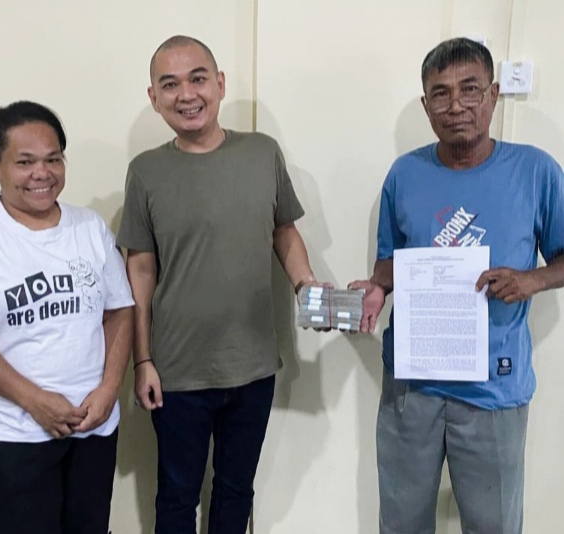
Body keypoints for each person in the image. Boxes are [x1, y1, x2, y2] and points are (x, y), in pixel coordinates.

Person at [350, 37, 564, 533]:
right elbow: (391, 263)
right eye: (440, 93)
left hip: (493, 389)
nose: (456, 106)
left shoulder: (534, 171)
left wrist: (532, 279)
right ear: (426, 105)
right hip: (412, 387)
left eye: (470, 89)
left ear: (493, 95)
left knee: (494, 525)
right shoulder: (405, 174)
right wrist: (377, 289)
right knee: (401, 523)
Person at [117, 35, 320, 533]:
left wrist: (308, 288)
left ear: (220, 84)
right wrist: (142, 360)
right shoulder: (145, 172)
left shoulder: (262, 153)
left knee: (235, 492)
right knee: (177, 497)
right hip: (176, 372)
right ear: (154, 97)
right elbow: (139, 270)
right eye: (170, 85)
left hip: (252, 366)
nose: (186, 94)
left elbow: (284, 231)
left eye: (198, 78)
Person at [0, 101, 134, 534]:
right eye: (25, 162)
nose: (42, 173)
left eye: (53, 159)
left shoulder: (89, 227)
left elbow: (119, 311)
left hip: (93, 430)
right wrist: (34, 400)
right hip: (15, 435)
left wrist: (109, 390)